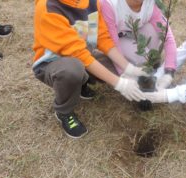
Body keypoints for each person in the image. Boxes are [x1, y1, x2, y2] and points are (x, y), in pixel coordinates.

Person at [33, 0, 151, 138]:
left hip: (82, 56)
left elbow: (102, 38)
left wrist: (127, 67)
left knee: (113, 65)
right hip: (52, 64)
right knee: (72, 70)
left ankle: (81, 84)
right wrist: (119, 83)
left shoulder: (92, 2)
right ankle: (64, 111)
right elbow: (78, 54)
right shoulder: (49, 7)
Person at [100, 0, 177, 90]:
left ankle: (151, 65)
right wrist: (124, 73)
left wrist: (169, 71)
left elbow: (167, 37)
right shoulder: (110, 4)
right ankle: (139, 65)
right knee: (142, 58)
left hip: (137, 32)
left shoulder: (151, 4)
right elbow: (113, 42)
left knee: (155, 31)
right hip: (119, 38)